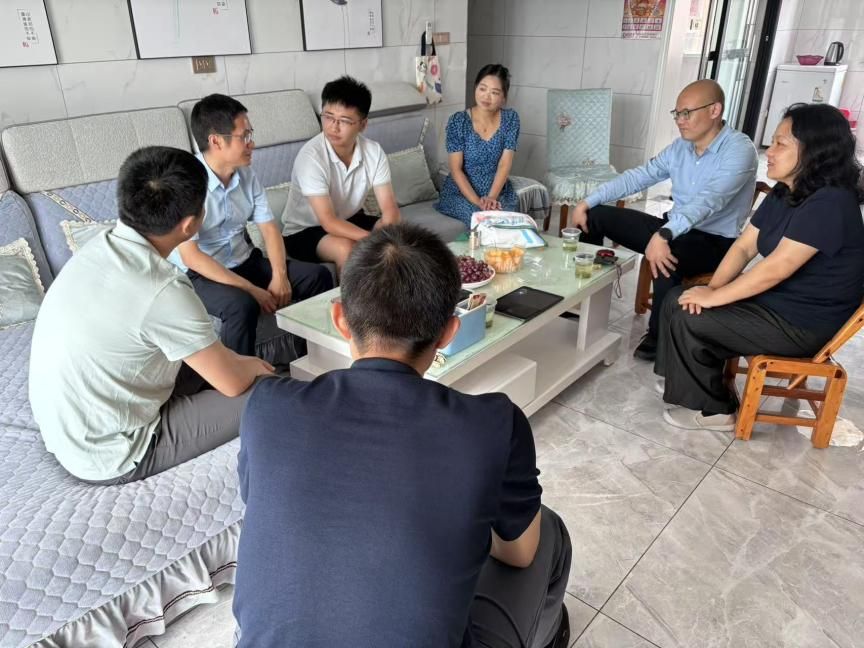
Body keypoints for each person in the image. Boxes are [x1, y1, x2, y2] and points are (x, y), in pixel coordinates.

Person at [234, 224, 572, 648]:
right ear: (449, 332)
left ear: (340, 319)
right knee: (549, 532)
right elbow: (519, 553)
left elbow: (269, 506)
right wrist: (454, 524)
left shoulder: (266, 407)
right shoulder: (494, 423)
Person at [29, 146, 275, 484]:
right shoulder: (164, 289)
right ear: (190, 225)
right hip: (113, 451)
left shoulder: (98, 247)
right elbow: (232, 383)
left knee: (228, 359)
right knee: (269, 389)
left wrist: (240, 362)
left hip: (71, 427)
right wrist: (254, 367)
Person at [655, 103, 864, 431]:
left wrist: (714, 298)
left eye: (781, 143)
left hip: (802, 324)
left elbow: (775, 269)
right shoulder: (786, 190)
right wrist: (711, 289)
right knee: (679, 298)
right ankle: (684, 380)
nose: (770, 151)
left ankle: (716, 411)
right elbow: (744, 247)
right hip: (778, 302)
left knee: (689, 315)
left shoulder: (830, 202)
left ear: (815, 151)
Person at [570, 79, 758, 361]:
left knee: (666, 254)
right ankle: (584, 304)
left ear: (714, 110)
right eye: (677, 114)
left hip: (715, 242)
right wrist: (588, 201)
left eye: (687, 113)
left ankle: (658, 336)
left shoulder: (739, 149)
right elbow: (638, 177)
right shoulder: (680, 148)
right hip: (674, 228)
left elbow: (709, 200)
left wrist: (664, 235)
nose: (680, 121)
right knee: (594, 216)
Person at [173, 93, 333, 357]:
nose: (252, 143)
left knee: (317, 277)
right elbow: (191, 257)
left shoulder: (247, 175)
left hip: (244, 260)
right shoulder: (187, 183)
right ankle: (243, 377)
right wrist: (251, 290)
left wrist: (280, 276)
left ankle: (317, 357)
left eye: (250, 134)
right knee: (241, 305)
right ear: (216, 141)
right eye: (244, 136)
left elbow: (269, 229)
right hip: (200, 273)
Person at [282, 76, 401, 273]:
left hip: (348, 219)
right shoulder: (311, 157)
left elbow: (389, 208)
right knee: (346, 249)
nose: (333, 127)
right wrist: (373, 240)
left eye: (344, 121)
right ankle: (349, 295)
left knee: (398, 234)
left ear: (363, 124)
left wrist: (387, 228)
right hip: (304, 231)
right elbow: (328, 222)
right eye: (328, 117)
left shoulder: (374, 151)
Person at [435, 63, 520, 227]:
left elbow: (504, 164)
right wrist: (479, 202)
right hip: (461, 193)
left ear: (503, 97)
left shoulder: (511, 119)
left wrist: (491, 198)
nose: (486, 97)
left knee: (507, 222)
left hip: (495, 192)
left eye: (494, 92)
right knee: (481, 220)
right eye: (482, 89)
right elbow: (456, 169)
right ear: (475, 88)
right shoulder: (458, 121)